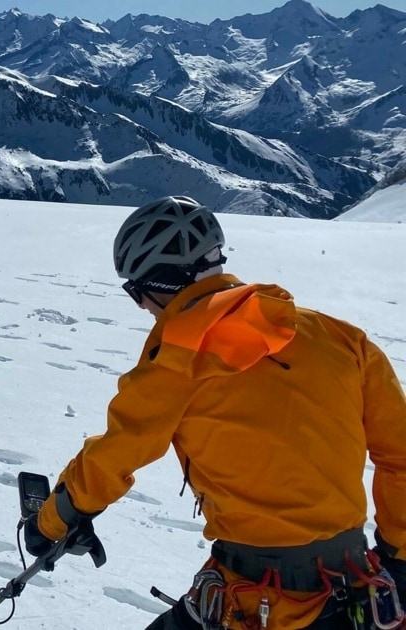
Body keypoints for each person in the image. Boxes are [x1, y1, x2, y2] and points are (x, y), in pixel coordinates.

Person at [22, 196, 406, 629]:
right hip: (358, 587)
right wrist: (399, 557)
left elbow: (116, 454)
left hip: (254, 596)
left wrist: (50, 524)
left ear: (161, 282)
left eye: (137, 292)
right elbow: (400, 455)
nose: (142, 308)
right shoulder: (340, 336)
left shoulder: (178, 356)